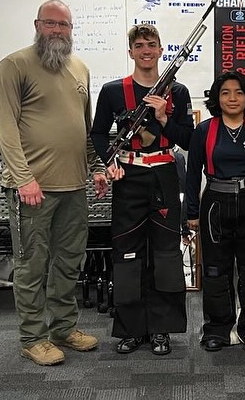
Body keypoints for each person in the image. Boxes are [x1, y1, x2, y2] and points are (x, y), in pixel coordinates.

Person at [0, 0, 108, 366]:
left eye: (64, 25)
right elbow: (5, 127)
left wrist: (97, 167)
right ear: (37, 24)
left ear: (72, 30)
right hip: (32, 190)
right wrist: (24, 178)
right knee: (32, 265)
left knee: (69, 262)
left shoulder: (80, 69)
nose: (57, 31)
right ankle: (32, 337)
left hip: (74, 187)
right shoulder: (14, 65)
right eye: (50, 24)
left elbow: (84, 129)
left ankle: (63, 328)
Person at [90, 24, 193, 355]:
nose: (146, 50)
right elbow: (98, 134)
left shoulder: (178, 92)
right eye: (140, 45)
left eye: (152, 44)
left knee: (165, 253)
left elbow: (188, 139)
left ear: (162, 50)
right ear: (130, 51)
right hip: (128, 177)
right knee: (127, 254)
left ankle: (162, 329)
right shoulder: (112, 91)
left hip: (163, 173)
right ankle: (131, 328)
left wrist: (164, 118)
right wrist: (109, 162)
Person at [186, 71, 245, 353]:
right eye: (225, 92)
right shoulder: (204, 131)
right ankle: (216, 329)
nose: (232, 98)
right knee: (216, 271)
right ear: (217, 97)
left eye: (239, 92)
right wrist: (191, 212)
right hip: (215, 204)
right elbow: (192, 176)